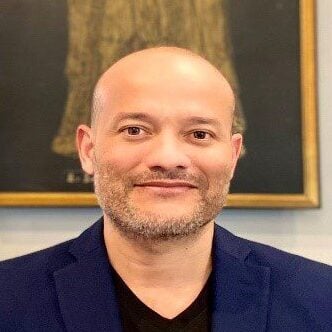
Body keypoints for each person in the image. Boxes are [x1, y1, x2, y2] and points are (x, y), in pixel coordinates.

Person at [0, 47, 331, 332]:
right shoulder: (8, 298)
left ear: (231, 156)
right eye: (135, 130)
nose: (167, 158)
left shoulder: (321, 298)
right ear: (88, 150)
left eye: (199, 134)